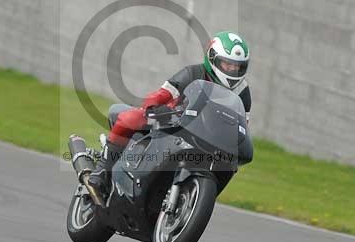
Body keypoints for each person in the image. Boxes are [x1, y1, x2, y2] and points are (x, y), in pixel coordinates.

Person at [77, 31, 251, 204]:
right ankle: (101, 171)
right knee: (130, 119)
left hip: (207, 136)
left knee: (230, 162)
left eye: (238, 66)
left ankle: (195, 199)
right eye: (227, 64)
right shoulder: (193, 73)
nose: (233, 70)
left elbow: (242, 124)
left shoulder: (242, 92)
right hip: (173, 120)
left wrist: (239, 142)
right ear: (212, 58)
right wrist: (152, 107)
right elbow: (164, 93)